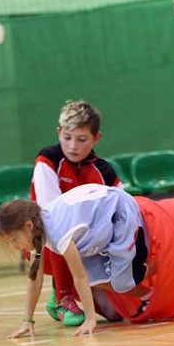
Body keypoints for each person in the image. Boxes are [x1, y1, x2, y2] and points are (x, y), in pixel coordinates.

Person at [0, 184, 154, 339]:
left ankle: (155, 269)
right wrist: (28, 320)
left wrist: (90, 320)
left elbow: (80, 277)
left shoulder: (58, 233)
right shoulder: (37, 229)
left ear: (28, 225)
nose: (15, 246)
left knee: (120, 283)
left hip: (120, 208)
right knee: (93, 278)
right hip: (99, 214)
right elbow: (35, 278)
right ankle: (147, 295)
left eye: (14, 239)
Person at [31, 100, 121, 327]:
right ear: (58, 132)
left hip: (89, 243)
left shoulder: (104, 171)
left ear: (96, 138)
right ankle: (63, 296)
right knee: (59, 230)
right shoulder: (47, 161)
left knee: (115, 313)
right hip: (49, 241)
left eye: (82, 139)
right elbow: (50, 217)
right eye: (67, 137)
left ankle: (78, 288)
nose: (73, 146)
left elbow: (124, 211)